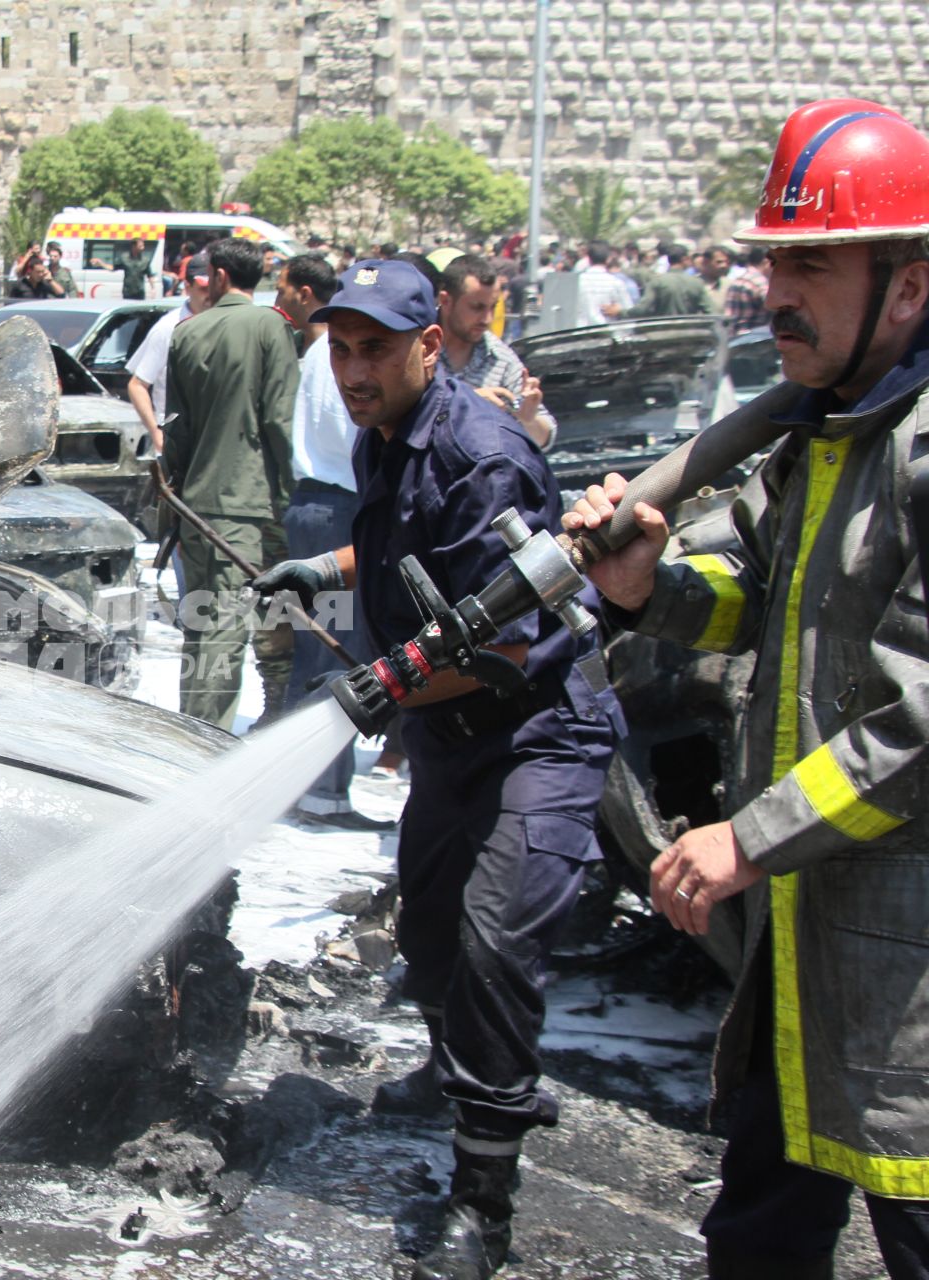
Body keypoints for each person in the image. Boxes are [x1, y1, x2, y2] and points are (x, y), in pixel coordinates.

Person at [566, 98, 929, 1280]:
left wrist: (750, 837)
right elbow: (751, 610)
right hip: (804, 935)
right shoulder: (820, 436)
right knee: (760, 1238)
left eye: (812, 263)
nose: (776, 291)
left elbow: (918, 727)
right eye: (775, 257)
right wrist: (648, 585)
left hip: (905, 956)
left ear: (910, 288)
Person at [254, 259, 619, 1280]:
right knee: (426, 926)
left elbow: (505, 642)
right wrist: (324, 568)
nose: (353, 368)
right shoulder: (389, 436)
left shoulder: (485, 456)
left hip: (535, 733)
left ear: (429, 345)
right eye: (340, 347)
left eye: (374, 348)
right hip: (454, 741)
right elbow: (414, 553)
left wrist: (381, 689)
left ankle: (482, 1197)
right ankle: (451, 1061)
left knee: (497, 942)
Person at [272, 252, 390, 831]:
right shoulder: (346, 358)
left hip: (314, 507)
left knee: (314, 654)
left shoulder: (324, 349)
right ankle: (323, 793)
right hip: (340, 514)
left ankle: (298, 785)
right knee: (341, 657)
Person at [163, 237, 298, 729]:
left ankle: (188, 731)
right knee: (225, 627)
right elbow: (280, 417)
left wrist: (174, 502)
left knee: (200, 624)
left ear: (218, 276)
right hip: (243, 503)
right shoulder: (269, 326)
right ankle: (205, 741)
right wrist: (289, 495)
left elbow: (174, 429)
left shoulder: (187, 332)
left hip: (194, 501)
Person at [435, 255, 557, 448]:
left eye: (493, 308)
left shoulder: (501, 358)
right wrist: (465, 403)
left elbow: (544, 438)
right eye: (477, 307)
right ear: (446, 301)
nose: (487, 319)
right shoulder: (415, 347)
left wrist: (528, 419)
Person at [125, 252, 210, 451]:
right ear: (188, 288)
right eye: (203, 289)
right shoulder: (169, 328)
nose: (210, 295)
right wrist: (156, 433)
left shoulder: (222, 323)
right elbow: (137, 385)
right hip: (175, 437)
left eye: (214, 288)